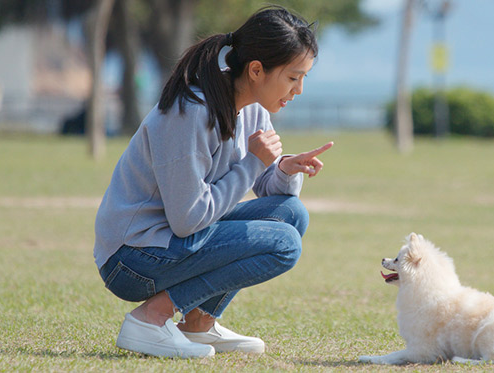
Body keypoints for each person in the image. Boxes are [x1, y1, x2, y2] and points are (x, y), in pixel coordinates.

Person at [93, 6, 331, 358]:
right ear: (255, 70)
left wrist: (283, 171)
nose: (297, 90)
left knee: (292, 215)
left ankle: (198, 324)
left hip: (171, 242)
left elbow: (264, 186)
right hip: (132, 258)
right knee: (284, 243)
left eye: (303, 79)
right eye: (293, 77)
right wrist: (253, 163)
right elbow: (188, 218)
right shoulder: (190, 111)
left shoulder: (253, 108)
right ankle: (151, 318)